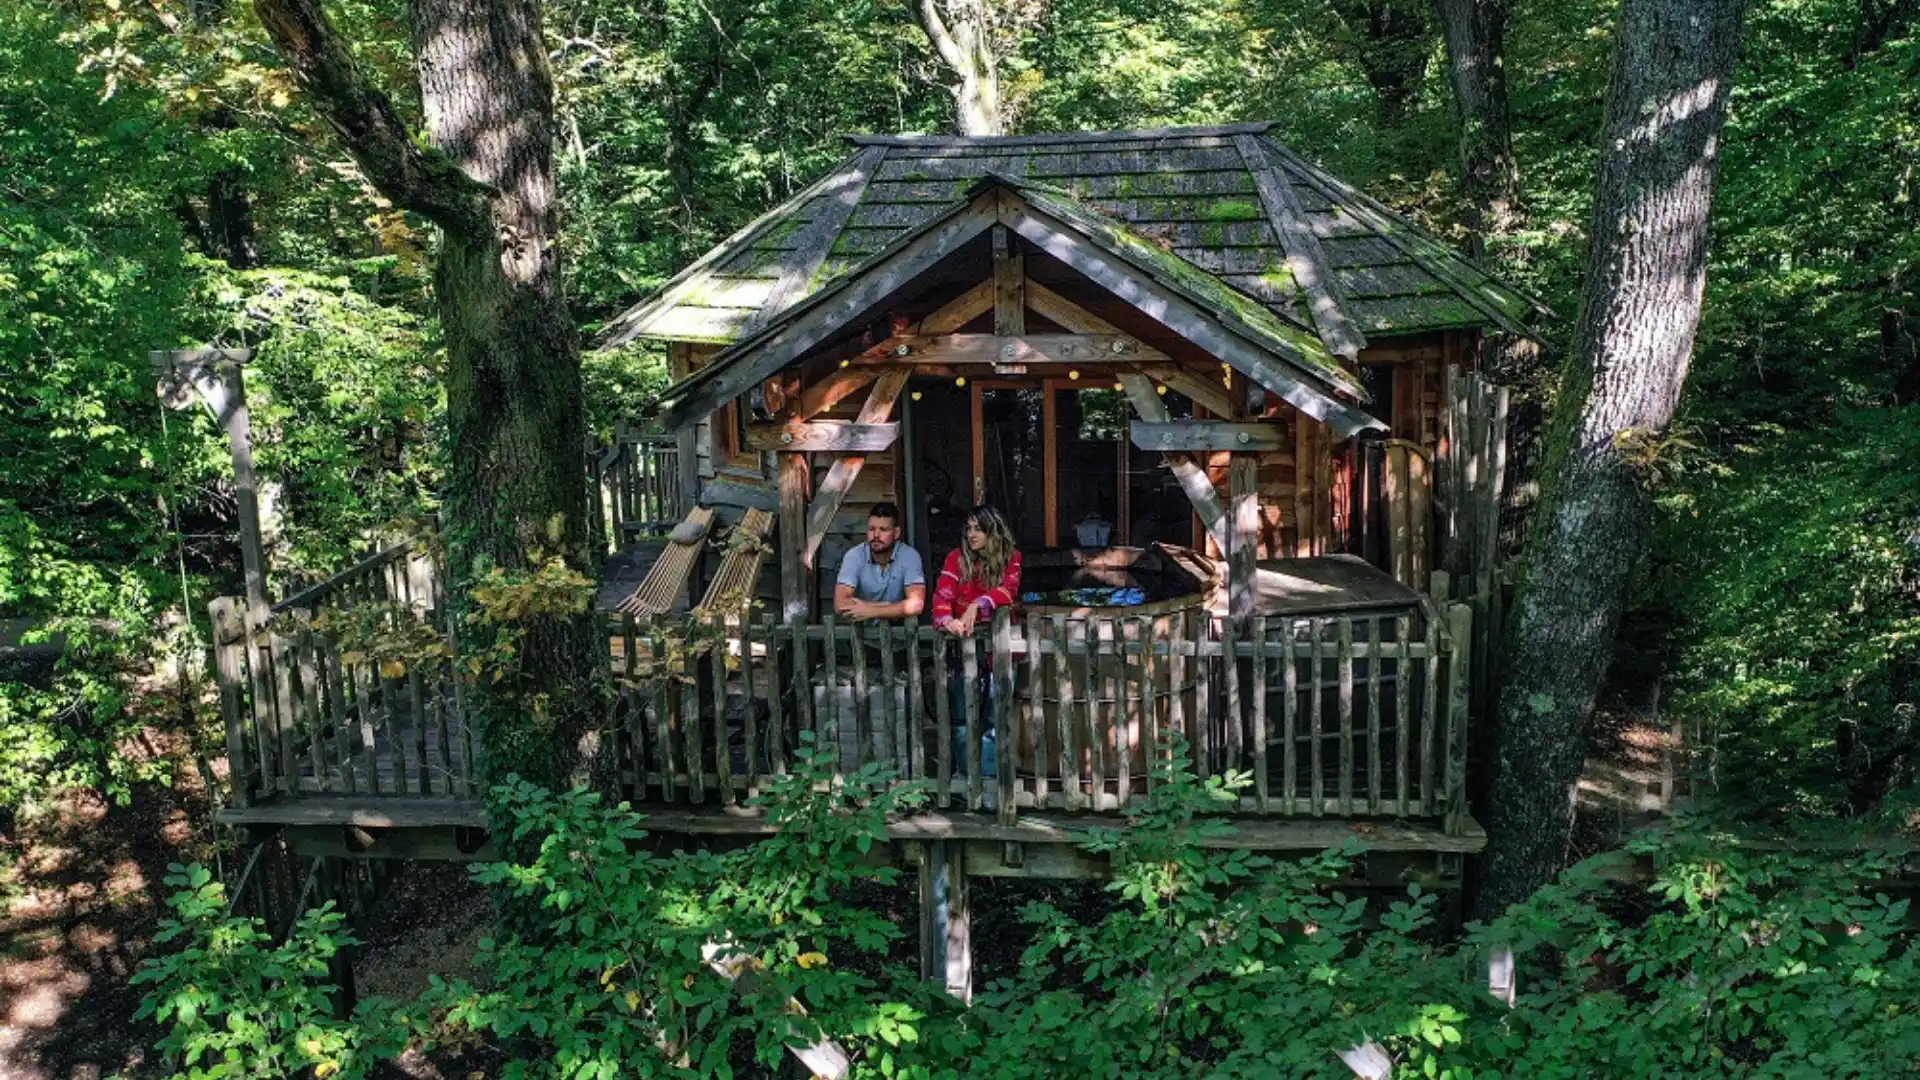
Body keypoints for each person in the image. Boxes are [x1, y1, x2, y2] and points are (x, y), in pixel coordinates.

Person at [933, 506, 1022, 781]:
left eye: (978, 528)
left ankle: (989, 782)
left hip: (999, 652)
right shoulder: (955, 559)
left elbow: (1008, 590)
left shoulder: (1012, 558)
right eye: (969, 528)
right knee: (961, 719)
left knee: (994, 719)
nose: (972, 534)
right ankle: (964, 779)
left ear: (992, 531)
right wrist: (948, 620)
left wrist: (978, 604)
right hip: (963, 651)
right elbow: (941, 595)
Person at [834, 502, 926, 620]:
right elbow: (840, 604)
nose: (876, 535)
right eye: (871, 529)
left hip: (899, 634)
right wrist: (885, 606)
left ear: (896, 533)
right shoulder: (854, 555)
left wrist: (871, 611)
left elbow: (916, 604)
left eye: (883, 529)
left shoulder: (909, 556)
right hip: (860, 633)